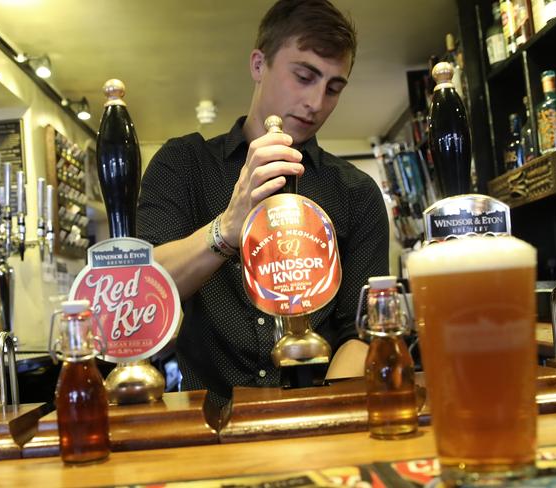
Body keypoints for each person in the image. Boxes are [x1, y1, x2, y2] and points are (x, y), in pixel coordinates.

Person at [137, 0, 389, 400]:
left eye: (333, 88)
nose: (317, 102)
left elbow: (359, 331)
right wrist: (228, 229)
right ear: (258, 64)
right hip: (210, 427)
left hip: (319, 415)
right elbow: (142, 288)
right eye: (304, 76)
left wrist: (314, 409)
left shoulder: (356, 193)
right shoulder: (183, 165)